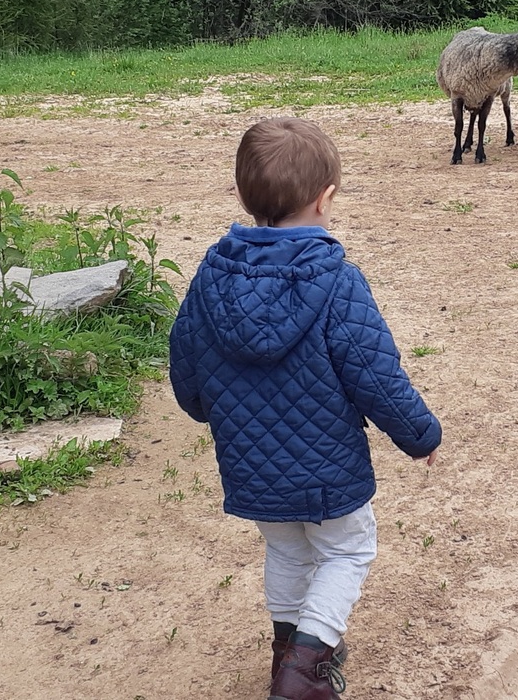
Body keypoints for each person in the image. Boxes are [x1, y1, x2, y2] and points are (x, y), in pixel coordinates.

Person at [168, 117, 443, 700]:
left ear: (245, 195)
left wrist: (210, 409)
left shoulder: (208, 280)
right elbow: (377, 376)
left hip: (249, 462)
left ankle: (286, 653)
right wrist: (420, 435)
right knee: (348, 549)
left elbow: (186, 369)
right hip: (327, 467)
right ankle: (304, 671)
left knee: (287, 550)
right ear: (326, 198)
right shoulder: (338, 283)